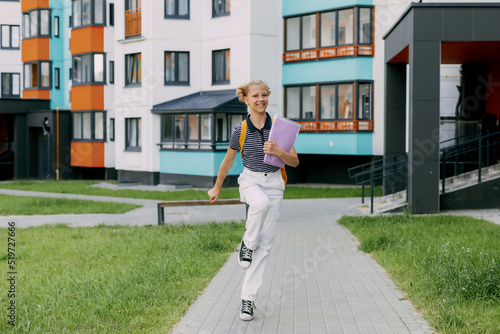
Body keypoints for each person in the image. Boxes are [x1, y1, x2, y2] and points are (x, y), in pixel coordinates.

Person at [208, 79, 299, 321]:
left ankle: (248, 300)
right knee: (260, 204)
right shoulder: (240, 130)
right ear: (246, 100)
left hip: (275, 183)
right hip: (250, 180)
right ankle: (247, 242)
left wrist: (278, 151)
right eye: (255, 96)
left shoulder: (280, 127)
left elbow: (294, 161)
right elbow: (228, 161)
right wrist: (216, 187)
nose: (261, 99)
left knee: (266, 245)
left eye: (264, 95)